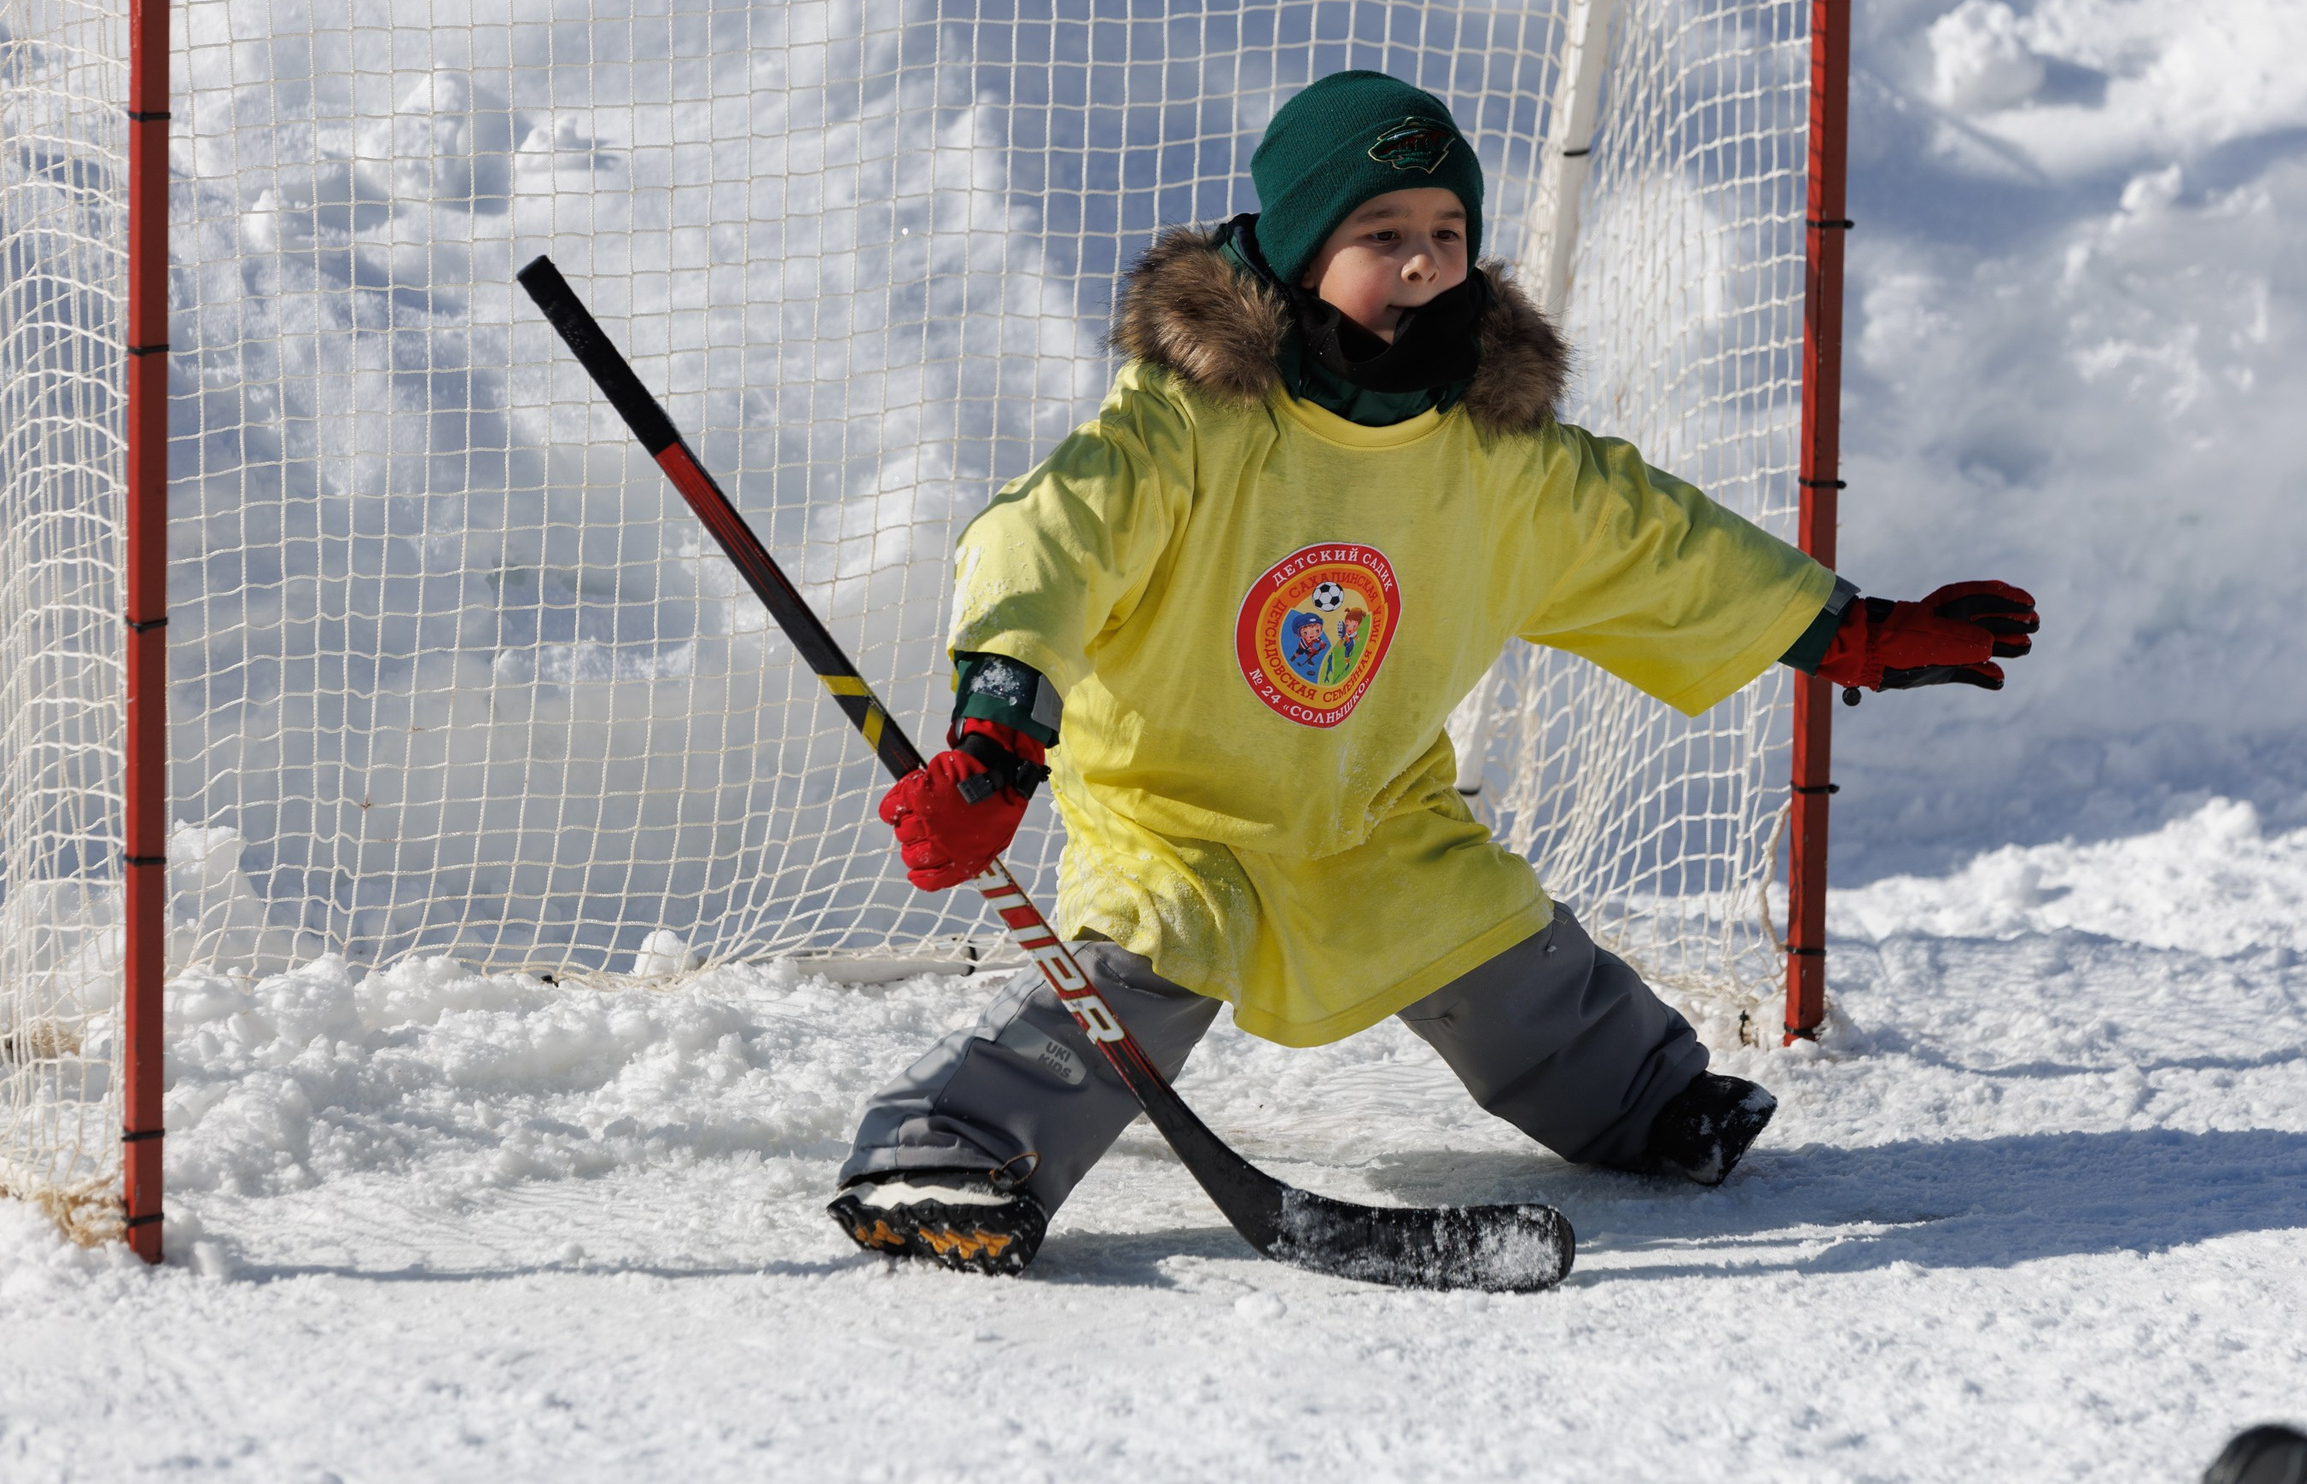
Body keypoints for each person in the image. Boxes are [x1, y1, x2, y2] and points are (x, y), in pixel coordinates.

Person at [830, 71, 2038, 1274]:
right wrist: (996, 740)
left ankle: (1648, 1103)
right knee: (1145, 965)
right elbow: (1042, 541)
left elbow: (1656, 546)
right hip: (1171, 809)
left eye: (1447, 233)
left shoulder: (1493, 452)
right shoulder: (1187, 426)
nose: (1422, 263)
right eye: (1382, 234)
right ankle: (946, 1147)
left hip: (1368, 801)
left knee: (1489, 936)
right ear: (1303, 253)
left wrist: (1849, 631)